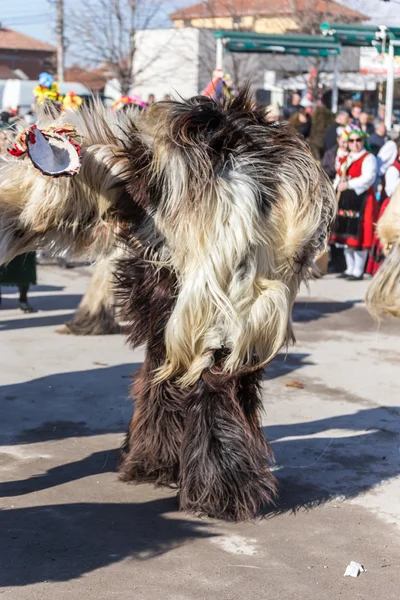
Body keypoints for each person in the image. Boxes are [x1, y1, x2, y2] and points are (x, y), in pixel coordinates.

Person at [331, 125, 378, 280]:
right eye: (352, 141)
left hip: (363, 201)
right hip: (346, 202)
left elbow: (368, 178)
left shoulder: (368, 157)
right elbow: (338, 178)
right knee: (346, 235)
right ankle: (349, 268)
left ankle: (358, 270)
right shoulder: (346, 158)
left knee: (360, 235)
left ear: (362, 141)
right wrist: (336, 186)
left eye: (358, 140)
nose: (355, 143)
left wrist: (349, 184)